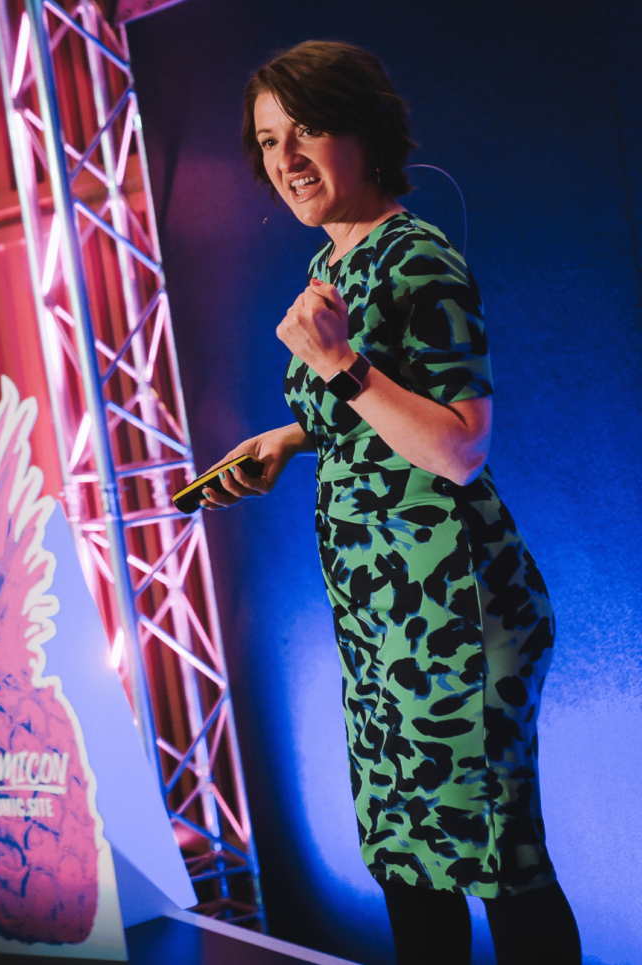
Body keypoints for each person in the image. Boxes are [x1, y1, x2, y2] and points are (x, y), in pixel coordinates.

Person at [199, 40, 581, 965]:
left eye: (309, 130)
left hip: (454, 616)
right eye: (268, 139)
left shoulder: (417, 258)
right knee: (410, 866)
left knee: (498, 863)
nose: (286, 159)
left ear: (365, 133)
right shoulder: (340, 264)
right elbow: (380, 419)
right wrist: (292, 438)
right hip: (385, 623)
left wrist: (337, 363)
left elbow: (459, 446)